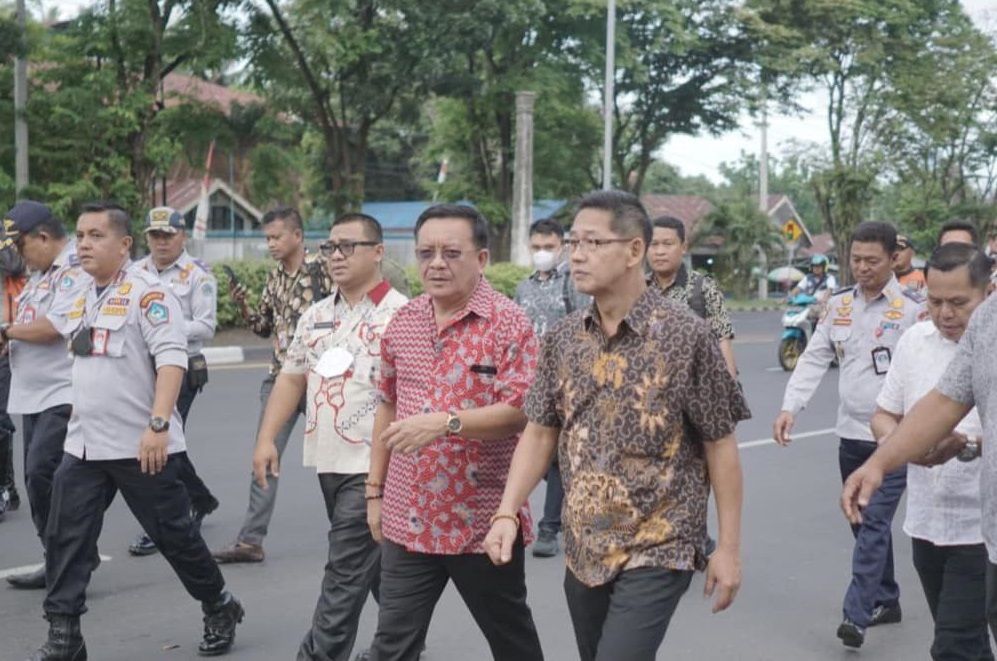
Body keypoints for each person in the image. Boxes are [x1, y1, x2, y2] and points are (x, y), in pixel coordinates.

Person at [484, 191, 749, 661]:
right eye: (572, 241)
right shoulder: (564, 339)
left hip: (661, 541)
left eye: (592, 242)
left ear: (633, 251)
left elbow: (720, 444)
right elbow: (541, 431)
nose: (576, 254)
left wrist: (727, 549)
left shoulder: (688, 335)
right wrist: (508, 510)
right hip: (584, 544)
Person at [32, 202, 243, 660]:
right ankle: (65, 635)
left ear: (124, 244)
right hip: (84, 444)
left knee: (175, 537)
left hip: (140, 445)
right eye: (81, 235)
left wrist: (158, 425)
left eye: (96, 235)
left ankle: (219, 604)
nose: (84, 244)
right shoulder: (83, 293)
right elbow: (82, 356)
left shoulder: (148, 293)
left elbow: (172, 359)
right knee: (65, 536)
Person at [365, 204, 544, 661]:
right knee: (391, 645)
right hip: (408, 518)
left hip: (480, 521)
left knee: (511, 642)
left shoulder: (509, 323)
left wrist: (447, 423)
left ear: (481, 259)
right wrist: (374, 493)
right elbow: (386, 402)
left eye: (450, 252)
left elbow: (522, 411)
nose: (436, 264)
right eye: (426, 253)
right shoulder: (403, 322)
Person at [252, 213, 408, 661]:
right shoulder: (315, 316)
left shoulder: (402, 315)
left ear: (378, 251)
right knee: (373, 569)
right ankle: (402, 646)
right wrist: (266, 438)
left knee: (344, 571)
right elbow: (291, 378)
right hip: (329, 461)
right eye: (330, 248)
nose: (336, 256)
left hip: (376, 467)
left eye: (348, 247)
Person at [772, 221, 924, 649]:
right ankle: (887, 598)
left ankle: (855, 615)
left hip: (893, 437)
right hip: (850, 435)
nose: (862, 268)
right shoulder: (838, 305)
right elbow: (814, 359)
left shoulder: (913, 310)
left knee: (873, 520)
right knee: (861, 522)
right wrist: (790, 407)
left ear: (893, 258)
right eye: (856, 259)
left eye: (872, 260)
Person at [841, 262, 997, 644]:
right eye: (936, 300)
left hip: (974, 532)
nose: (946, 312)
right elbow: (945, 401)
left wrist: (969, 445)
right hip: (985, 532)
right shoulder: (989, 322)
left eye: (959, 301)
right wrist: (878, 463)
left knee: (954, 643)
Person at [213, 206, 332, 564]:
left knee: (336, 460)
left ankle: (356, 533)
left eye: (276, 237)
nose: (271, 244)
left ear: (297, 236)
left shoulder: (322, 272)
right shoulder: (276, 276)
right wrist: (245, 307)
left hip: (319, 379)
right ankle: (251, 541)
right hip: (281, 377)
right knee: (265, 458)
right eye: (267, 238)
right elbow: (264, 328)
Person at [0, 201, 90, 590]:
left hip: (63, 391)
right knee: (38, 481)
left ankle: (71, 559)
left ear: (42, 236)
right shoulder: (41, 275)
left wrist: (5, 332)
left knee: (42, 475)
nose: (17, 256)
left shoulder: (73, 271)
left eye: (19, 246)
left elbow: (54, 326)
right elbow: (28, 324)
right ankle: (57, 559)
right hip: (32, 394)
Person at [128, 206, 219, 557]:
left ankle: (165, 521)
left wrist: (163, 328)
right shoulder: (135, 271)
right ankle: (199, 498)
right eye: (155, 235)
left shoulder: (197, 275)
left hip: (182, 367)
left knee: (160, 441)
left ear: (182, 236)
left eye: (168, 235)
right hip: (142, 369)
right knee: (163, 443)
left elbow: (206, 326)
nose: (161, 242)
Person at [513, 218, 589, 559]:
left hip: (566, 382)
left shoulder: (572, 284)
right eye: (537, 247)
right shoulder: (523, 288)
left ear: (563, 247)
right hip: (529, 382)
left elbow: (588, 329)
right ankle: (576, 505)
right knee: (537, 455)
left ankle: (548, 528)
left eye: (549, 247)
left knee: (556, 458)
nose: (542, 253)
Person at [647, 214, 738, 376]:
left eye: (668, 244)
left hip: (694, 386)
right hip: (649, 387)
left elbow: (723, 339)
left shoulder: (705, 287)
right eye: (654, 244)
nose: (659, 251)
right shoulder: (639, 290)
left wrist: (730, 390)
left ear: (683, 247)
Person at [0, 223, 25, 519]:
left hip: (6, 344)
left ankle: (4, 486)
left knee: (0, 419)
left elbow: (14, 264)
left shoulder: (8, 243)